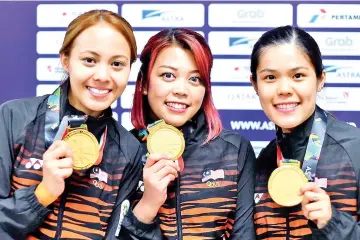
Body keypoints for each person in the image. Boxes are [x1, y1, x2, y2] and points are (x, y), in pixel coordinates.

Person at [0, 10, 143, 239]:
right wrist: (43, 193)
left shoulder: (129, 151)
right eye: (89, 60)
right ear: (65, 60)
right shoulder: (14, 118)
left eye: (117, 64)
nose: (103, 75)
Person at [120, 28, 256, 240]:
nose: (181, 90)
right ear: (144, 83)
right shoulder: (124, 150)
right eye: (168, 75)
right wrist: (148, 204)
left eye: (194, 79)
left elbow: (244, 235)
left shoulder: (235, 150)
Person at [251, 25, 360, 239]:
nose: (284, 89)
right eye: (270, 78)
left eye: (298, 75)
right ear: (255, 84)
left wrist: (332, 222)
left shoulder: (355, 148)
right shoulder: (263, 161)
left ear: (320, 80)